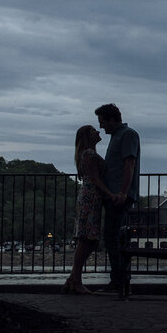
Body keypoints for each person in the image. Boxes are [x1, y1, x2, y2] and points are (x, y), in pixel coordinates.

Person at [63, 124, 115, 295]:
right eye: (93, 130)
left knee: (88, 238)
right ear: (87, 136)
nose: (98, 131)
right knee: (87, 238)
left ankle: (74, 279)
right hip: (91, 197)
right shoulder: (89, 154)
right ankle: (75, 279)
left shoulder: (86, 153)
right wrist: (111, 193)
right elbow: (96, 179)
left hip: (90, 197)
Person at [95, 103, 140, 298]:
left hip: (118, 195)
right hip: (114, 194)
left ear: (112, 119)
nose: (101, 126)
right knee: (112, 236)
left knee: (111, 236)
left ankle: (118, 280)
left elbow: (130, 163)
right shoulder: (118, 136)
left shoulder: (127, 134)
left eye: (102, 122)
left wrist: (123, 192)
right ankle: (119, 279)